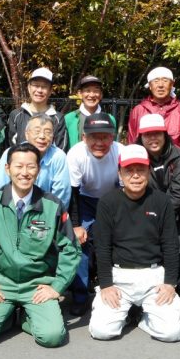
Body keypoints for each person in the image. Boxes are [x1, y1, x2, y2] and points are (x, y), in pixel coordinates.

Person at [0, 143, 81, 348]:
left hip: (37, 285)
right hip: (2, 283)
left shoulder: (52, 205)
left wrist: (57, 286)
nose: (24, 173)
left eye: (31, 167)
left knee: (52, 337)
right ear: (8, 169)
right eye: (18, 166)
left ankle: (27, 315)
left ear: (39, 169)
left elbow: (70, 249)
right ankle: (7, 317)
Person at [89, 144, 180, 342]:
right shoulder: (108, 202)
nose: (135, 175)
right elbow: (102, 247)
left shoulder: (162, 201)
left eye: (140, 169)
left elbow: (171, 245)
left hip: (154, 278)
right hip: (119, 278)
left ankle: (142, 317)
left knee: (171, 333)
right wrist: (106, 284)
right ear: (119, 173)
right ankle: (125, 314)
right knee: (101, 331)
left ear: (148, 171)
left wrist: (170, 283)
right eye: (129, 170)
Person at [66, 113, 123, 316]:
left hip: (113, 198)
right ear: (84, 137)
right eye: (94, 137)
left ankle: (119, 290)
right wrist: (75, 224)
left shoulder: (120, 152)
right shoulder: (75, 154)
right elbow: (71, 193)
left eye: (105, 137)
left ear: (113, 137)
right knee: (79, 243)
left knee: (118, 240)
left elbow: (126, 189)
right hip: (83, 199)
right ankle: (80, 295)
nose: (99, 142)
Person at [135, 114, 180, 284]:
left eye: (157, 133)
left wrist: (159, 215)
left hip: (178, 210)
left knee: (174, 248)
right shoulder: (136, 154)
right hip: (145, 210)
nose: (153, 138)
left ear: (165, 135)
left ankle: (173, 285)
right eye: (147, 134)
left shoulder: (178, 156)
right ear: (141, 136)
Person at [0, 114, 71, 211]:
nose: (42, 136)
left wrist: (51, 216)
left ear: (53, 136)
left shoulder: (58, 156)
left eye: (47, 132)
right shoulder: (11, 153)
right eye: (37, 131)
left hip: (46, 212)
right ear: (26, 134)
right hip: (11, 208)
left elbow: (61, 194)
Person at [127, 66, 180, 159]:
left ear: (172, 84)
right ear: (150, 85)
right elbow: (133, 142)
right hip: (146, 167)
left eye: (165, 80)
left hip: (176, 167)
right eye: (156, 81)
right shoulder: (138, 111)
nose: (160, 85)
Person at [7, 67, 68, 151]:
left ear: (50, 91)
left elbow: (60, 149)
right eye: (35, 85)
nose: (39, 90)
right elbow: (10, 147)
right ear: (29, 88)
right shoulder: (16, 115)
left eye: (44, 87)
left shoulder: (58, 118)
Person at [65, 75, 117, 149]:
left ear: (101, 94)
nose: (92, 95)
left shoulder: (110, 119)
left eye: (96, 91)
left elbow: (112, 146)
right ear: (80, 94)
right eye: (87, 91)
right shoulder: (69, 118)